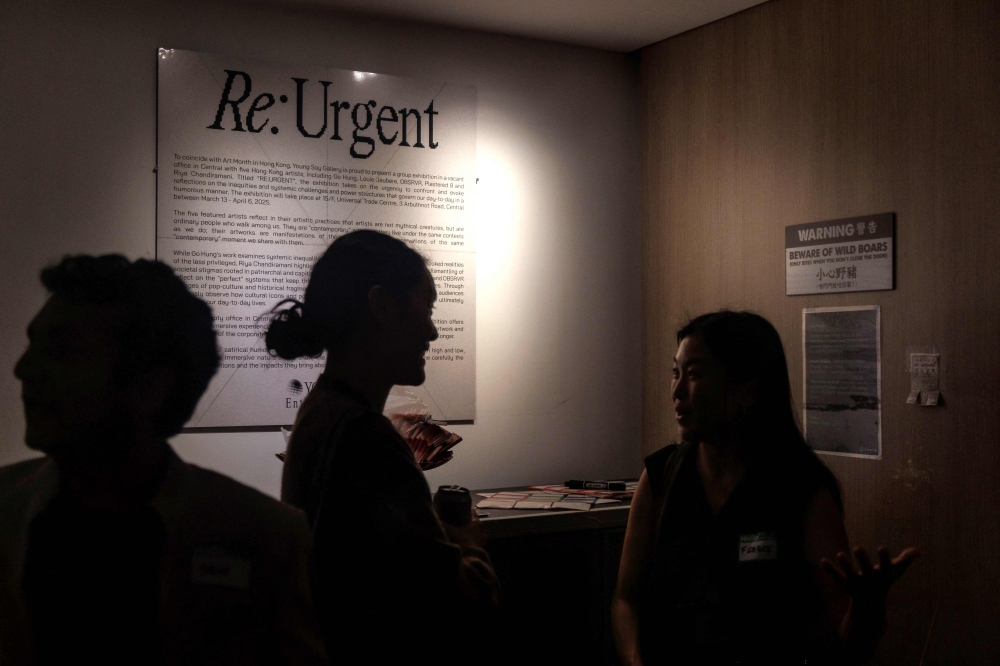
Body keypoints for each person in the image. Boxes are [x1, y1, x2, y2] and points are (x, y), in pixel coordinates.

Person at [0, 255, 328, 666]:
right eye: (34, 343)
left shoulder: (264, 536)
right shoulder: (5, 514)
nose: (22, 368)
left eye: (62, 351)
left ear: (150, 386)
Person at [611, 310, 919, 665]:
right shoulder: (660, 477)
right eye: (675, 372)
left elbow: (844, 641)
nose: (677, 391)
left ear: (746, 389)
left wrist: (867, 611)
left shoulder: (800, 490)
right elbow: (625, 600)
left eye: (694, 374)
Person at [267, 230, 500, 664]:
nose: (432, 330)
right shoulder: (368, 440)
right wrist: (469, 544)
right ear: (381, 305)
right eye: (426, 305)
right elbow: (459, 606)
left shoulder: (322, 413)